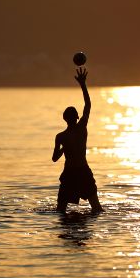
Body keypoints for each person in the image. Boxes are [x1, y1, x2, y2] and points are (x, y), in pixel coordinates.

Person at [52, 67, 103, 214]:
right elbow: (88, 105)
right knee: (96, 209)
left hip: (76, 172)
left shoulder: (61, 136)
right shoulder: (80, 129)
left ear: (65, 119)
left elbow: (55, 158)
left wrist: (63, 148)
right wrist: (83, 84)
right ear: (77, 117)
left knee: (61, 210)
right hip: (76, 172)